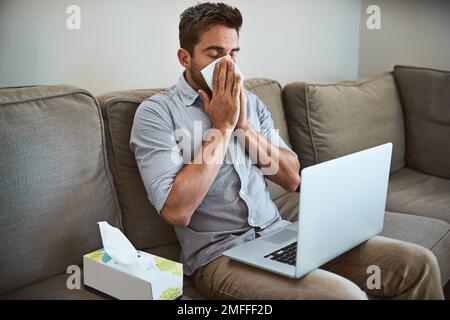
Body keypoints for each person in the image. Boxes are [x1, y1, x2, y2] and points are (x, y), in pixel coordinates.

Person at [130, 2, 444, 299]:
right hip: (220, 258)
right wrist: (222, 127)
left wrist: (243, 128)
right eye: (215, 55)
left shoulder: (250, 102)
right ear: (185, 57)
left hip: (280, 234)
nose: (227, 66)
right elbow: (177, 211)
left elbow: (291, 178)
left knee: (417, 263)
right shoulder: (156, 114)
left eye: (233, 54)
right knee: (343, 295)